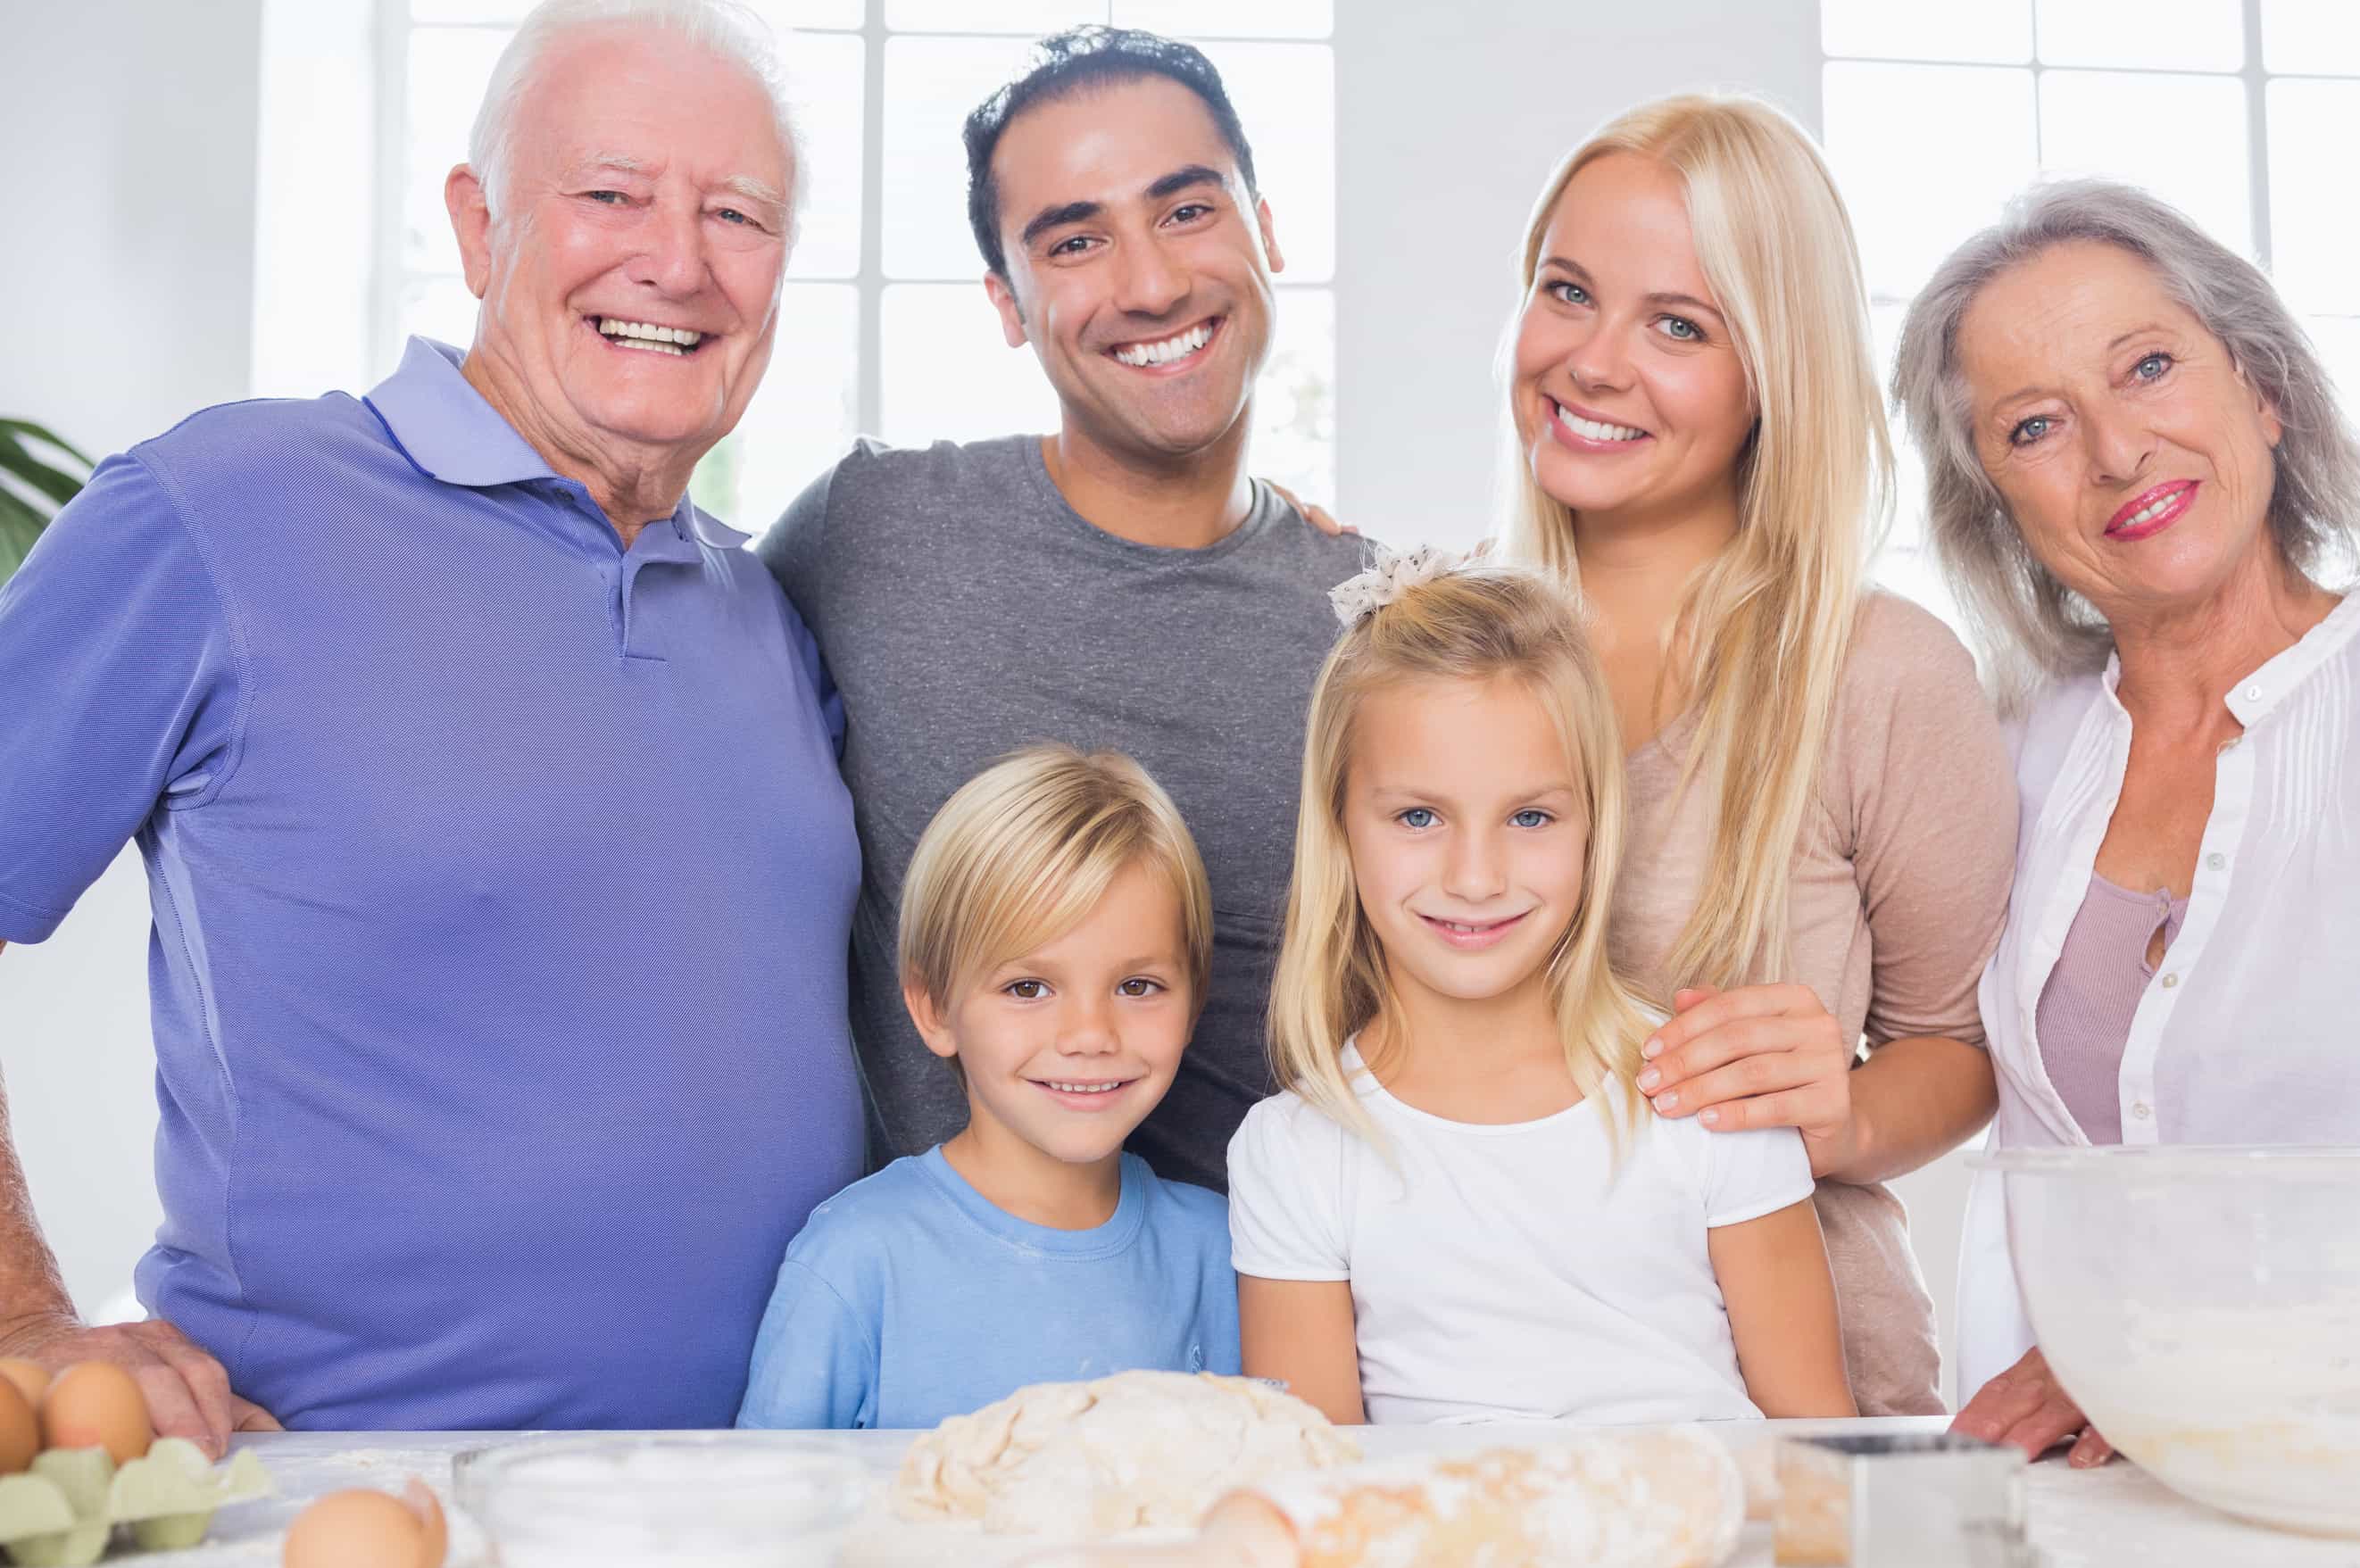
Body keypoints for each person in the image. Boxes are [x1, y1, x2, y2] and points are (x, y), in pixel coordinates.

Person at [0, 0, 862, 1435]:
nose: (677, 259)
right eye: (608, 194)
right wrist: (20, 1312)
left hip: (763, 1517)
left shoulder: (766, 608)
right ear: (476, 228)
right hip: (342, 1511)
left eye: (739, 214)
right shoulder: (218, 509)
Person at [1890, 179, 2360, 1464]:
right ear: (1998, 507)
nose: (2117, 452)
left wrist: (2160, 1356)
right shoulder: (2005, 751)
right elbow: (1913, 1048)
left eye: (2148, 367)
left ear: (2263, 389)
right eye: (2036, 425)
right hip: (2063, 1517)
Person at [760, 27, 1372, 1197]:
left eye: (1188, 211)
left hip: (1286, 1344)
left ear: (1268, 228)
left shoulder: (1372, 623)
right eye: (1076, 240)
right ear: (1007, 299)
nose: (1150, 284)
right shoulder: (875, 534)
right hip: (946, 1342)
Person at [1492, 95, 2018, 1415]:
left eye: (1680, 325)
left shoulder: (1879, 673)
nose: (1594, 361)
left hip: (1802, 1393)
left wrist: (1834, 1112)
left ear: (1772, 373)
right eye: (1569, 291)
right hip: (1488, 1373)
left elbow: (1961, 1050)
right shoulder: (1442, 662)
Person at [1231, 555, 1854, 1426]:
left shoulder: (1703, 1092)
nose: (1476, 877)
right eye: (1418, 816)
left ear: (1594, 824)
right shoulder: (1295, 1153)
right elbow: (1319, 1486)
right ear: (1340, 828)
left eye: (1530, 817)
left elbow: (1821, 1441)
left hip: (1711, 1555)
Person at [738, 747, 1235, 1430]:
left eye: (1137, 986)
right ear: (935, 1007)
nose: (1090, 1033)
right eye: (1028, 987)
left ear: (1194, 1003)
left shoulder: (1221, 1252)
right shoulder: (858, 1258)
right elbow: (764, 1518)